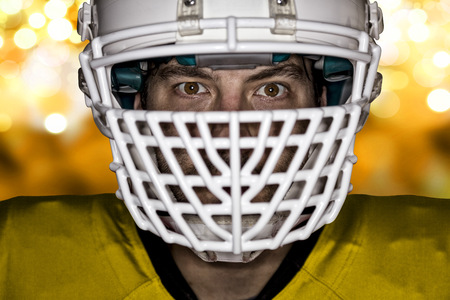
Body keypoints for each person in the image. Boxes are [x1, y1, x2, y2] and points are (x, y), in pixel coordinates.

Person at [1, 0, 449, 299]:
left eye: (271, 89)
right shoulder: (14, 254)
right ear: (133, 101)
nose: (230, 130)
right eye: (192, 87)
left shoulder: (436, 257)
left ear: (326, 100)